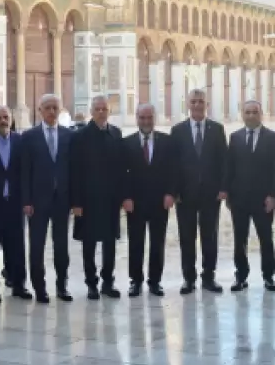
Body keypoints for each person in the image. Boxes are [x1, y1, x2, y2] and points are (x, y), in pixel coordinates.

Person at [172, 89, 227, 294]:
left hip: (211, 194)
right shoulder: (178, 131)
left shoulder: (217, 129)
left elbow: (224, 161)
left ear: (207, 104)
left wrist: (223, 188)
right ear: (188, 104)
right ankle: (188, 278)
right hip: (185, 195)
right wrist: (174, 191)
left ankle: (209, 277)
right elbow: (172, 164)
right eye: (193, 101)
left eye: (200, 101)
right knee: (187, 237)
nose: (197, 105)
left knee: (209, 236)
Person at [223, 100, 275, 292]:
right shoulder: (235, 137)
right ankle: (240, 276)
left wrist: (273, 196)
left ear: (261, 114)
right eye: (247, 112)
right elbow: (230, 167)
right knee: (239, 239)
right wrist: (228, 194)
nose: (251, 116)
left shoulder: (273, 138)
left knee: (266, 238)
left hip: (263, 200)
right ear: (243, 114)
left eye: (254, 112)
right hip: (239, 200)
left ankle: (268, 276)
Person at [71, 95, 126, 299]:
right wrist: (76, 202)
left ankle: (108, 282)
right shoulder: (80, 136)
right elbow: (75, 171)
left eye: (104, 109)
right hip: (88, 200)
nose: (101, 112)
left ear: (109, 111)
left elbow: (121, 168)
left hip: (110, 200)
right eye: (98, 109)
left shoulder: (116, 133)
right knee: (89, 242)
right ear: (91, 112)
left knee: (110, 242)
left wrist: (122, 196)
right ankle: (91, 283)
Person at [22, 94, 75, 302]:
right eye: (48, 108)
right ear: (40, 110)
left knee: (61, 245)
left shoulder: (69, 135)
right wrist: (26, 201)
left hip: (62, 200)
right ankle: (40, 288)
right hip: (37, 201)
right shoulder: (29, 136)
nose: (52, 111)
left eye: (55, 107)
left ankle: (62, 286)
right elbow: (25, 170)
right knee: (37, 245)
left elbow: (74, 170)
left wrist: (74, 200)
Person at [122, 103, 176, 297]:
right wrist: (126, 197)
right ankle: (135, 281)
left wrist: (170, 193)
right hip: (135, 203)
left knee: (157, 243)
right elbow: (122, 173)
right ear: (137, 118)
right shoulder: (126, 143)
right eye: (142, 118)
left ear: (155, 118)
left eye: (149, 117)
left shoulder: (167, 142)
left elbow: (173, 170)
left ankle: (155, 281)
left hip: (159, 201)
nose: (146, 121)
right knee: (135, 242)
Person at [0, 106, 26, 302]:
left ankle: (19, 285)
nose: (3, 121)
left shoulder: (20, 141)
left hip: (15, 204)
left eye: (6, 117)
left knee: (16, 246)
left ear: (11, 119)